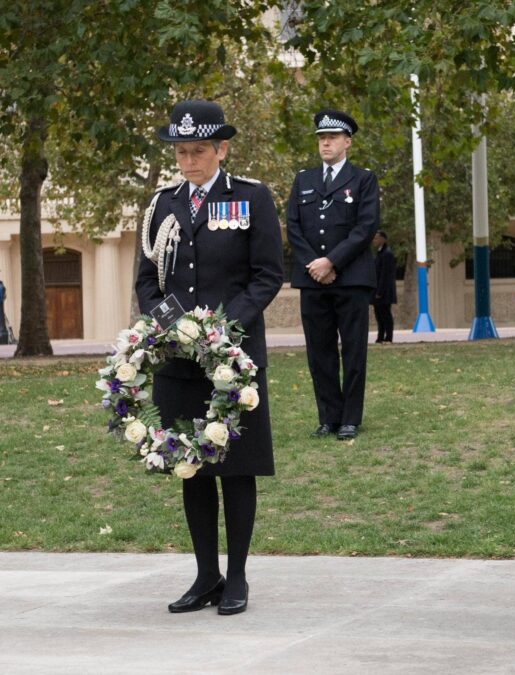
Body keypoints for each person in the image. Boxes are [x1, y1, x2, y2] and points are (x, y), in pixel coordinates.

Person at [135, 100, 283, 616]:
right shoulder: (160, 206)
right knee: (190, 466)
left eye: (198, 150)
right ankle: (205, 575)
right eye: (181, 151)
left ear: (221, 149)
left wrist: (222, 328)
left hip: (232, 360)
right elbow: (147, 284)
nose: (189, 160)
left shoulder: (249, 198)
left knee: (236, 467)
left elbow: (267, 275)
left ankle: (237, 577)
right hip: (179, 361)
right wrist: (175, 327)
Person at [286, 109, 379, 441]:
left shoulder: (363, 179)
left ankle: (350, 419)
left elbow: (365, 227)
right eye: (321, 138)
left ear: (347, 142)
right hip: (312, 280)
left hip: (351, 278)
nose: (325, 142)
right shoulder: (304, 180)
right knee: (319, 351)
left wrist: (332, 262)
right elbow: (293, 227)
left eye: (333, 137)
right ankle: (328, 417)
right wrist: (315, 264)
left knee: (353, 351)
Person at [371, 230, 397, 343]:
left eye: (377, 238)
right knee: (378, 314)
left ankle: (388, 337)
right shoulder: (379, 253)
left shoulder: (387, 254)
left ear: (383, 239)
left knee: (385, 314)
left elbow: (385, 275)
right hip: (377, 289)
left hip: (384, 291)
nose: (374, 240)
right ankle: (380, 336)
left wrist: (380, 291)